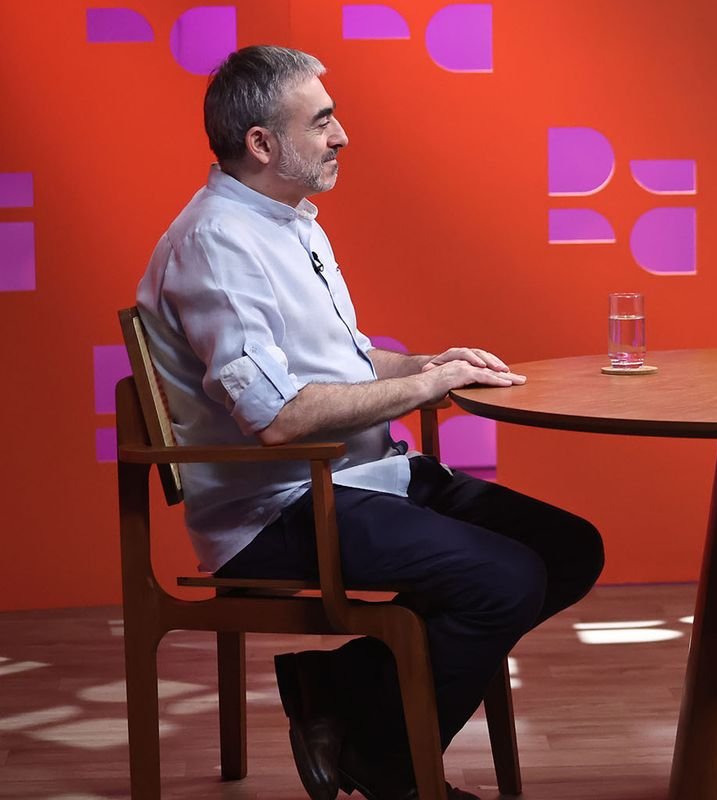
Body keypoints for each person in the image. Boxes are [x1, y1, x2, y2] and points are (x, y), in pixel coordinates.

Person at [136, 45, 605, 800]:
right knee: (504, 579)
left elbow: (343, 362)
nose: (341, 134)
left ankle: (337, 688)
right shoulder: (216, 243)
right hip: (281, 507)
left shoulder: (290, 221)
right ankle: (391, 765)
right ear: (262, 143)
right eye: (321, 120)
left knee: (570, 548)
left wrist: (428, 362)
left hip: (362, 478)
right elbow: (277, 418)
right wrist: (425, 387)